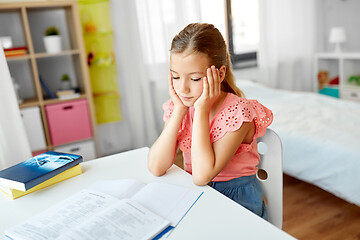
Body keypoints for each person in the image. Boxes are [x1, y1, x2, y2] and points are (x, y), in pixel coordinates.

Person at [148, 23, 272, 219]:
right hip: (198, 196)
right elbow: (156, 166)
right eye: (175, 77)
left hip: (237, 203)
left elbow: (201, 176)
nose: (183, 88)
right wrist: (179, 110)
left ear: (220, 74)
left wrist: (201, 110)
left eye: (195, 79)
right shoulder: (180, 106)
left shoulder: (237, 113)